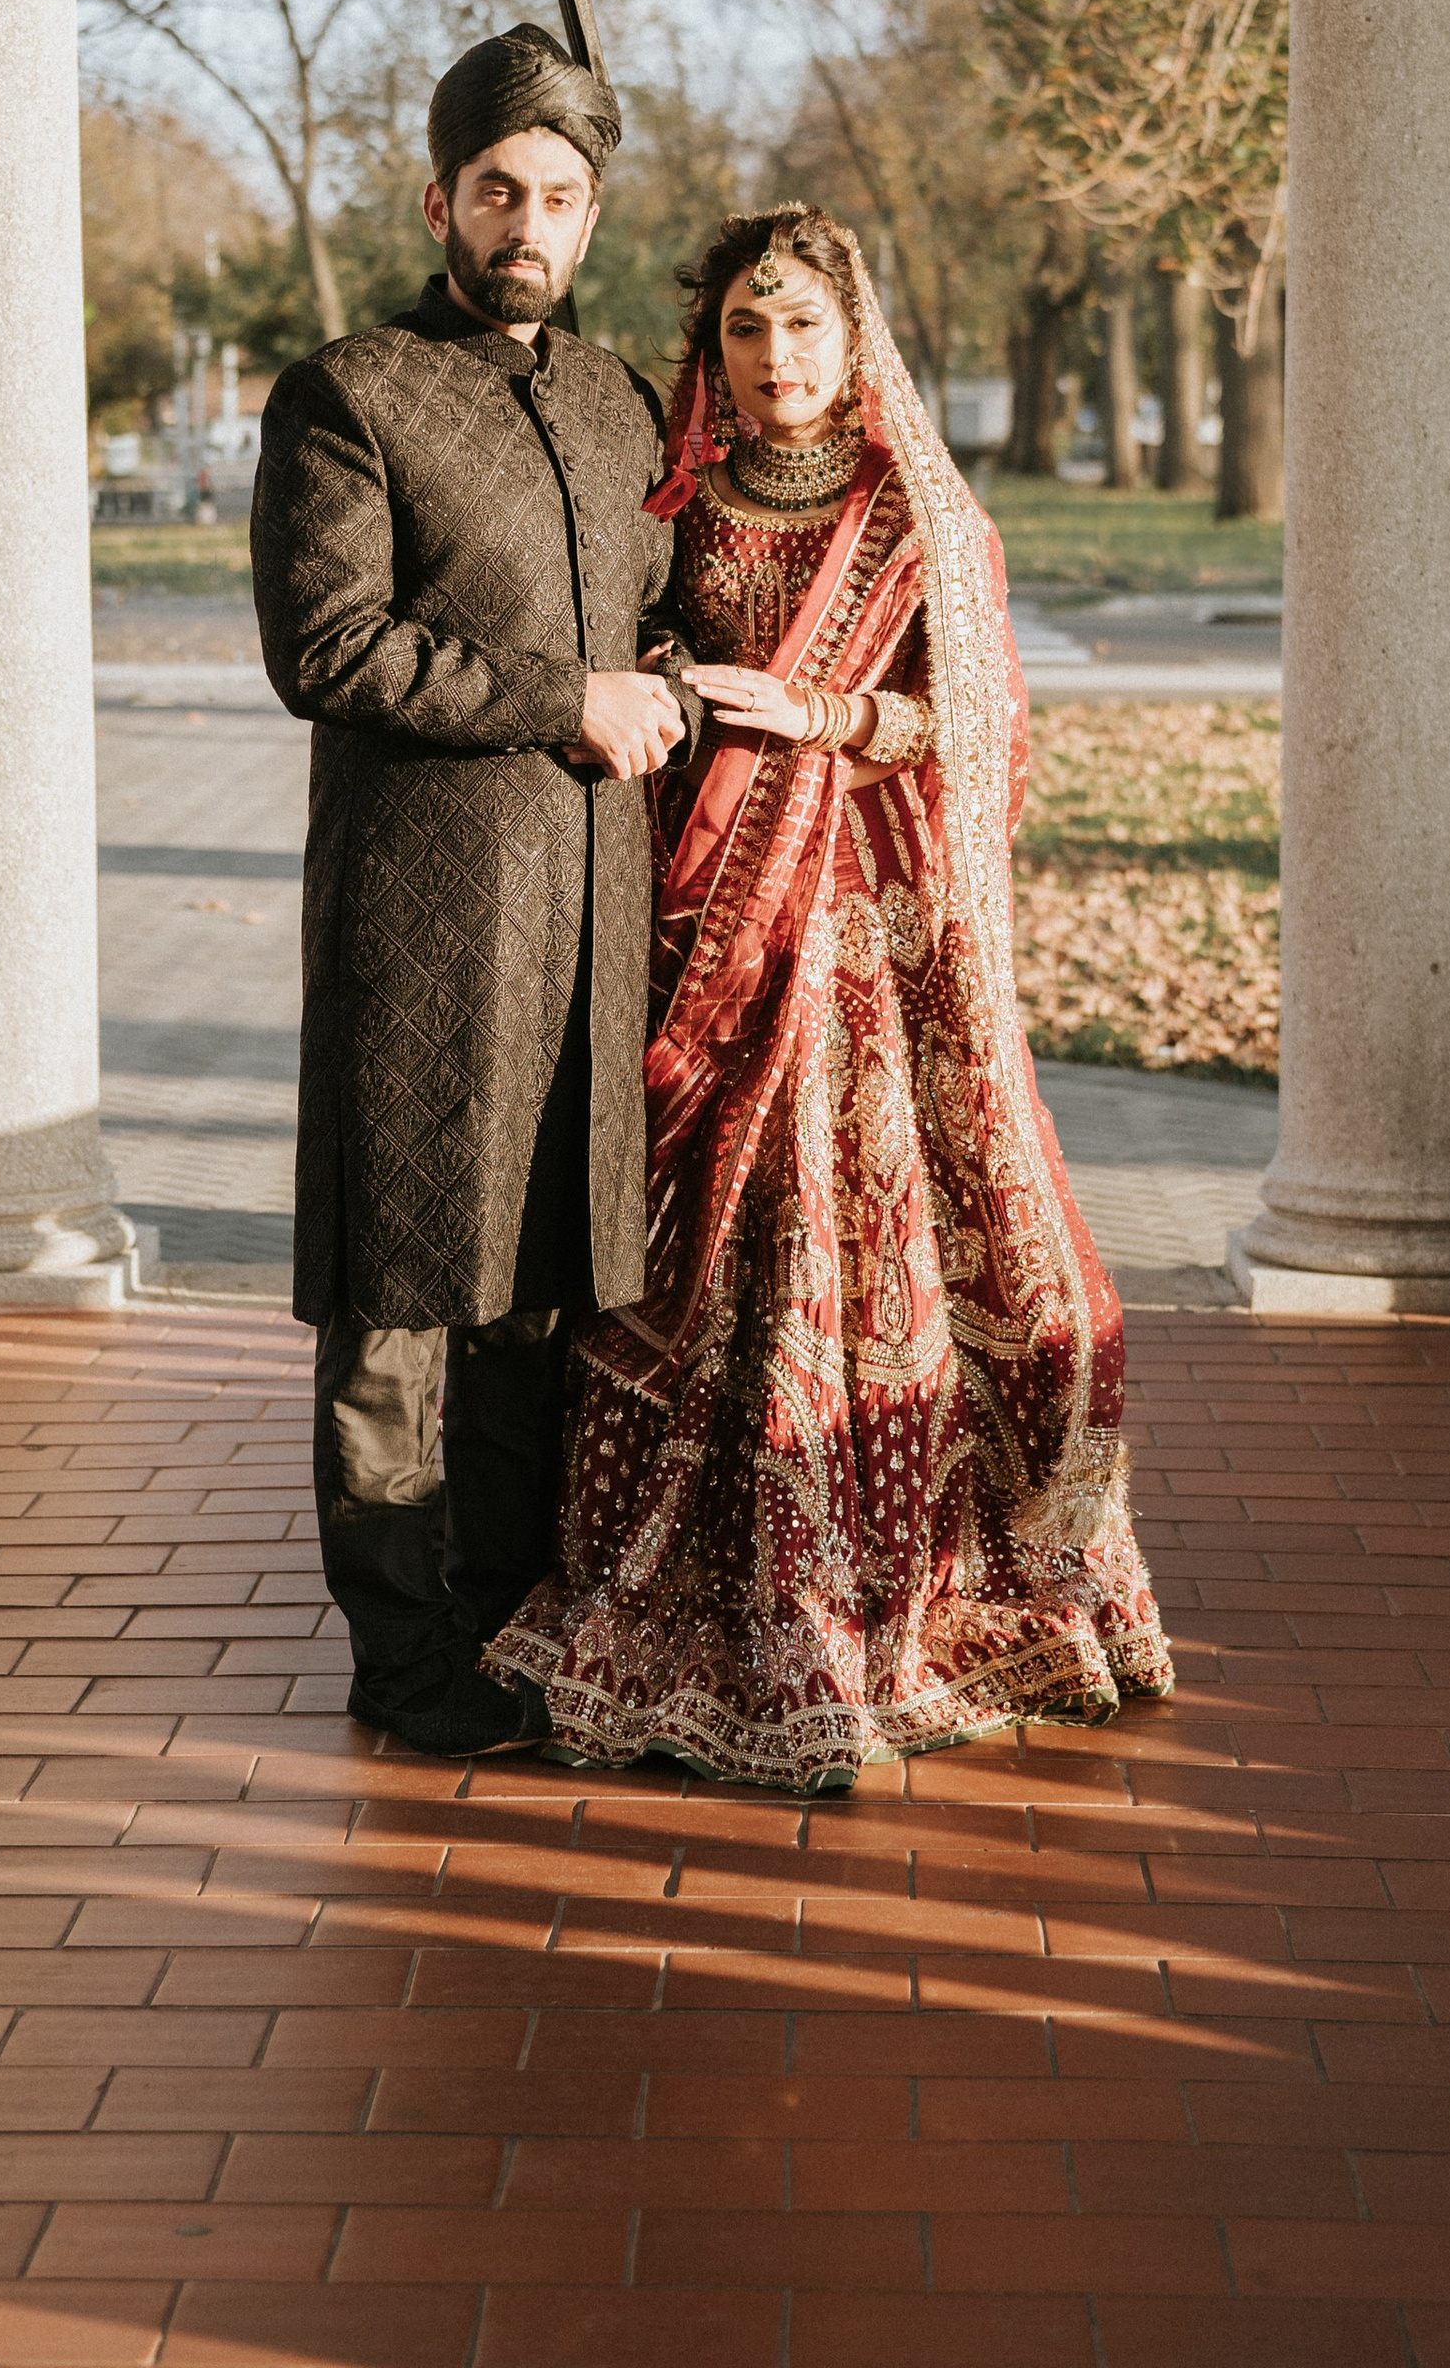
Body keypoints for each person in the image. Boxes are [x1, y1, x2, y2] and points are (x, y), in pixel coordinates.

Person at [489, 204, 1173, 1789]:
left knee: (841, 1222)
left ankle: (896, 1594)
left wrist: (820, 711)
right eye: (746, 327)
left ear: (855, 341)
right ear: (710, 349)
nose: (776, 354)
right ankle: (699, 1587)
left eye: (802, 326)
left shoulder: (916, 513)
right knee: (700, 1242)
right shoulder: (670, 502)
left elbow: (980, 724)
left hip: (863, 923)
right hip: (693, 907)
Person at [251, 25, 689, 1757]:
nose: (528, 221)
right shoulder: (348, 392)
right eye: (498, 189)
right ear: (440, 198)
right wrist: (565, 699)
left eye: (560, 196)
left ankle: (515, 1623)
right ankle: (406, 1659)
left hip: (592, 919)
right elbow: (329, 644)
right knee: (401, 1301)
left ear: (591, 218)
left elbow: (652, 621)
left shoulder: (619, 401)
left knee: (541, 1295)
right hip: (421, 917)